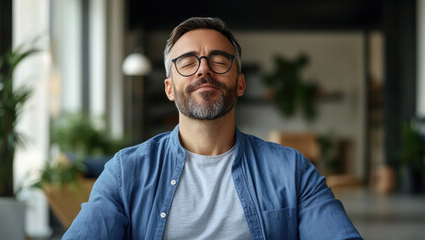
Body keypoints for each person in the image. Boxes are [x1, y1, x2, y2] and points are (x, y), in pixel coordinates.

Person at [63, 17, 362, 240]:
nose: (203, 68)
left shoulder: (291, 171)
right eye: (188, 62)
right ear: (169, 88)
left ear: (241, 83)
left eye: (219, 60)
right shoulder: (124, 174)